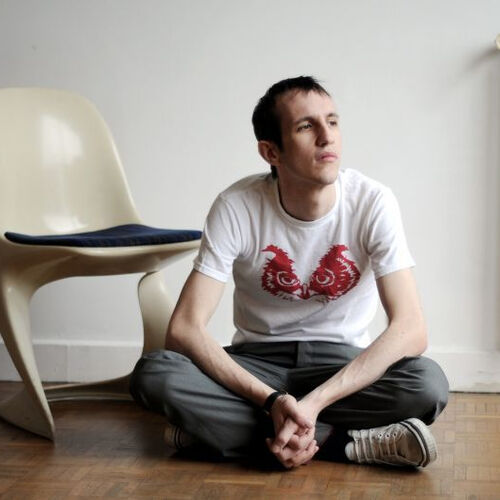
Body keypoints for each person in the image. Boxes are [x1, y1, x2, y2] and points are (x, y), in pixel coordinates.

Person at [130, 76, 449, 469]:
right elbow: (183, 329)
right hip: (258, 363)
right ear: (271, 152)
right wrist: (271, 400)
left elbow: (411, 329)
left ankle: (215, 434)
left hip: (340, 365)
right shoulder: (237, 206)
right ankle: (346, 445)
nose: (327, 137)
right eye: (306, 126)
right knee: (156, 373)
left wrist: (314, 402)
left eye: (332, 121)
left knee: (426, 384)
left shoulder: (372, 202)